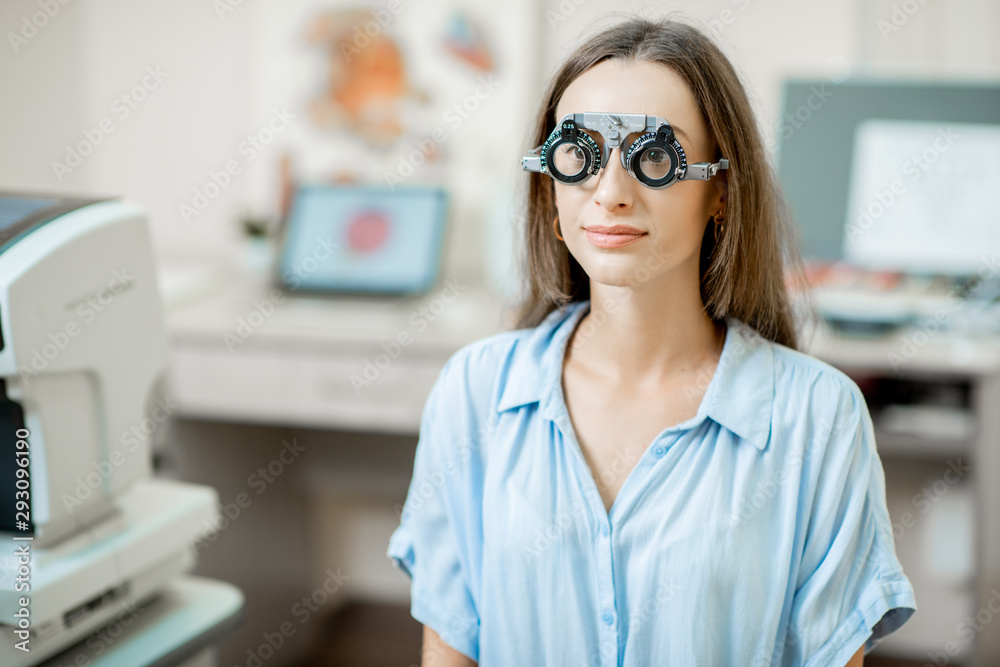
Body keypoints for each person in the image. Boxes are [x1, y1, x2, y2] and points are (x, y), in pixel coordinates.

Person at [387, 16, 917, 666]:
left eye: (655, 158)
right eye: (578, 155)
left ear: (720, 189)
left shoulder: (817, 418)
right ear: (549, 188)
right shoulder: (474, 392)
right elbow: (450, 649)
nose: (610, 193)